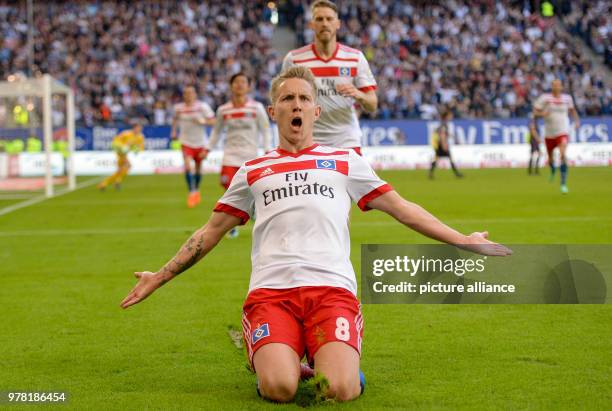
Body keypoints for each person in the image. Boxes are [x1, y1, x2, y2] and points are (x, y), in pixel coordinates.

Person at [120, 66, 511, 403]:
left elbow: (402, 208)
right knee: (280, 387)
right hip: (271, 294)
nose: (296, 105)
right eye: (288, 98)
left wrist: (462, 239)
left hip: (331, 292)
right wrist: (161, 275)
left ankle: (325, 359)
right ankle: (283, 359)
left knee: (339, 389)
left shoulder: (345, 161)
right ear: (273, 111)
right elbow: (210, 232)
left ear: (316, 110)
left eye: (304, 98)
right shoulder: (252, 171)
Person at [281, 0, 377, 153]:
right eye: (319, 19)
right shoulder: (294, 59)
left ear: (338, 23)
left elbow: (372, 104)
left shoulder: (355, 58)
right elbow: (283, 102)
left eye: (329, 19)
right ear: (311, 24)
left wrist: (357, 94)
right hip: (308, 140)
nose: (324, 23)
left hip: (346, 139)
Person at [207, 73, 273, 238]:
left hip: (250, 156)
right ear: (231, 86)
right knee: (229, 188)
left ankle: (250, 213)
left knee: (253, 190)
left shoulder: (256, 108)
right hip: (230, 155)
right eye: (236, 82)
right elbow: (216, 131)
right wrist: (208, 148)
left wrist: (267, 148)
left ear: (248, 86)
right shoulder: (223, 110)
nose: (239, 85)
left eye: (243, 82)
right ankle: (234, 223)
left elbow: (265, 128)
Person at [171, 86, 216, 207]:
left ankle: (196, 188)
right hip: (185, 142)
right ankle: (192, 191)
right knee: (187, 165)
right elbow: (174, 120)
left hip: (200, 142)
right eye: (186, 93)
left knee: (198, 168)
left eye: (190, 93)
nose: (188, 95)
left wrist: (203, 122)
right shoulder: (178, 108)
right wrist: (174, 131)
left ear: (195, 94)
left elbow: (213, 121)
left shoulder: (202, 107)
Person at [532, 79, 580, 194]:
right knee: (551, 159)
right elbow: (534, 112)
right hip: (549, 133)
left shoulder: (567, 99)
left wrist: (577, 121)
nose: (556, 87)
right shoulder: (545, 98)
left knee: (563, 155)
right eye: (554, 85)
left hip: (562, 131)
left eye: (558, 85)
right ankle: (553, 168)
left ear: (561, 87)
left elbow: (573, 111)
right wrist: (542, 114)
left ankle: (563, 184)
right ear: (551, 86)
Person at [97, 122, 144, 191]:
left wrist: (136, 150)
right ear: (134, 128)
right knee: (127, 166)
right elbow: (115, 141)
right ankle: (111, 182)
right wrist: (122, 147)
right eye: (138, 128)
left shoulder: (140, 137)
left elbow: (140, 147)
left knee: (121, 169)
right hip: (120, 152)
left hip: (125, 153)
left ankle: (107, 183)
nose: (140, 129)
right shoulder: (126, 134)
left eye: (140, 128)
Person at [429, 111, 463, 179]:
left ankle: (430, 174)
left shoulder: (443, 124)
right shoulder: (444, 124)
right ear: (446, 116)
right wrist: (444, 145)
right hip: (440, 144)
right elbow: (442, 135)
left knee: (437, 159)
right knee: (448, 158)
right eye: (450, 115)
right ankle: (457, 173)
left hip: (438, 144)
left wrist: (453, 137)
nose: (451, 117)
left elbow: (444, 133)